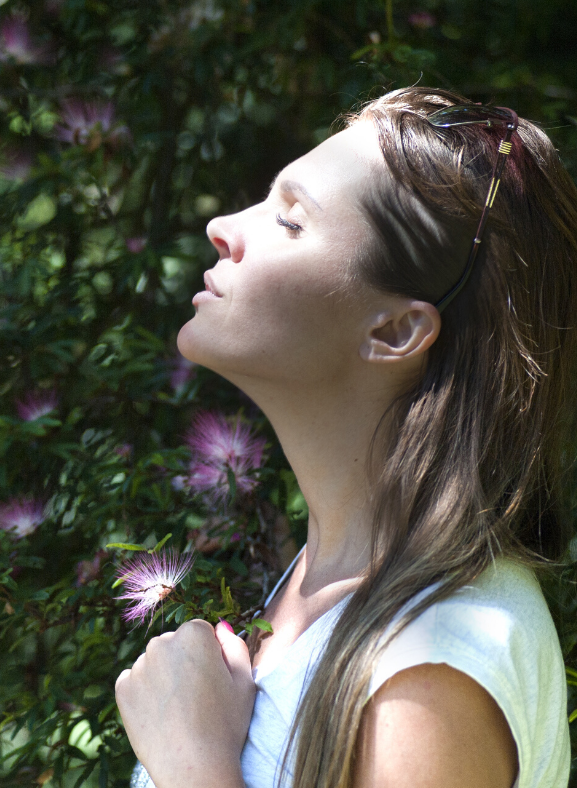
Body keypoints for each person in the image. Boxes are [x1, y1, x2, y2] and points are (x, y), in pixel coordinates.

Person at [114, 86, 577, 788]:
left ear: (395, 331)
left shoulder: (433, 665)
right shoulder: (322, 590)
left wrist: (190, 762)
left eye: (290, 221)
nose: (221, 225)